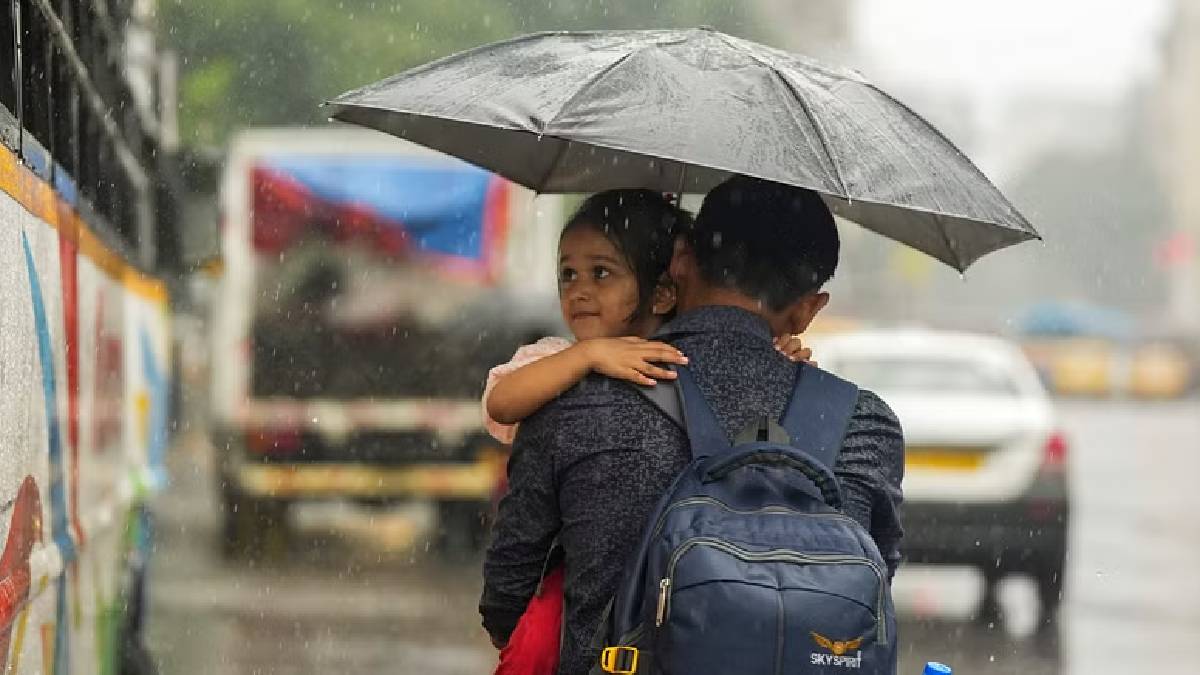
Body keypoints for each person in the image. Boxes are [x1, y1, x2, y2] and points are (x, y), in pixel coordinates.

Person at [480, 175, 905, 675]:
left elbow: (507, 597)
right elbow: (867, 596)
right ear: (809, 309)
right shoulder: (864, 424)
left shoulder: (573, 396)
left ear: (681, 263)